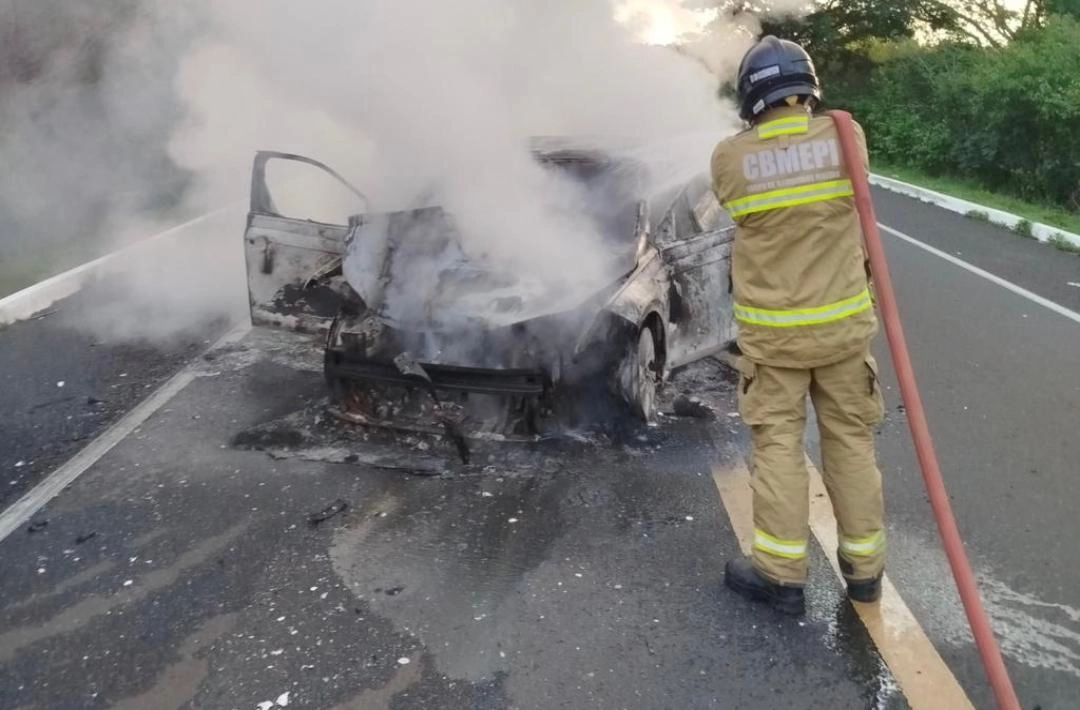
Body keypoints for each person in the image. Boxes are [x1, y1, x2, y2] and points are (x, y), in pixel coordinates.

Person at [710, 35, 886, 616]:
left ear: (751, 98)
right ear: (806, 89)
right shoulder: (846, 135)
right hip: (843, 333)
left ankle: (781, 576)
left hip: (774, 339)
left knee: (779, 445)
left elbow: (738, 210)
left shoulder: (731, 158)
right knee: (850, 442)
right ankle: (865, 571)